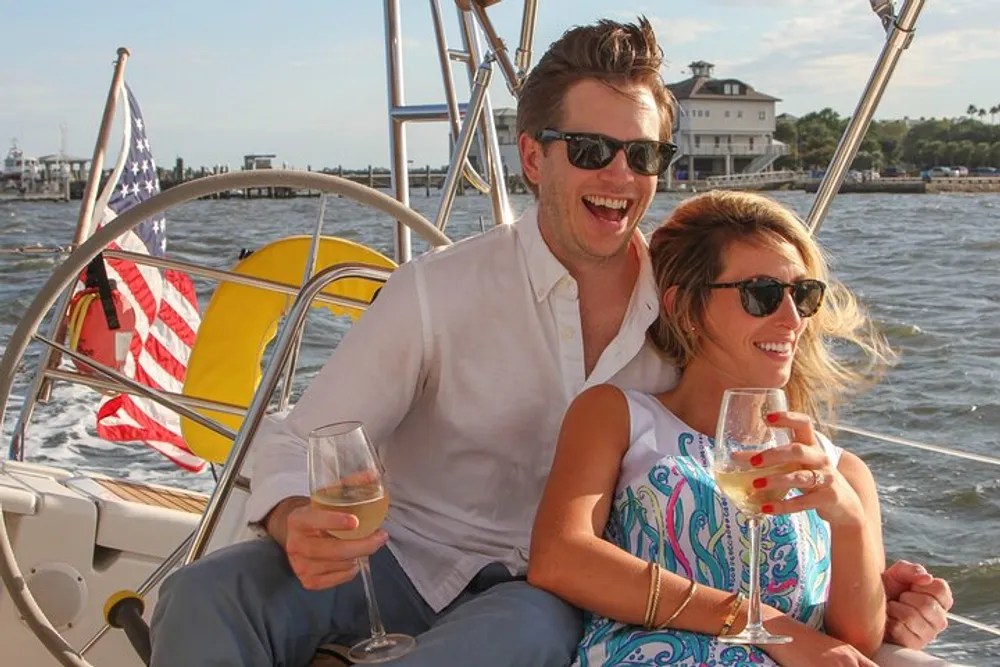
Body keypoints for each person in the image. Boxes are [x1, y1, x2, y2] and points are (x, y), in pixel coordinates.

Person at [148, 17, 952, 667]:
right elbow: (303, 436)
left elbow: (755, 457)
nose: (620, 175)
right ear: (533, 156)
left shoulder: (690, 309)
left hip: (546, 592)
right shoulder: (435, 291)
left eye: (642, 155)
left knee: (524, 631)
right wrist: (295, 516)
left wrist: (881, 579)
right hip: (393, 554)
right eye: (592, 151)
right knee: (200, 596)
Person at [527, 190, 955, 667]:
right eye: (763, 295)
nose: (791, 319)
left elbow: (853, 643)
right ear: (684, 307)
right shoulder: (618, 417)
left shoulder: (843, 474)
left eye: (804, 295)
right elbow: (561, 557)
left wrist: (849, 519)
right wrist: (761, 623)